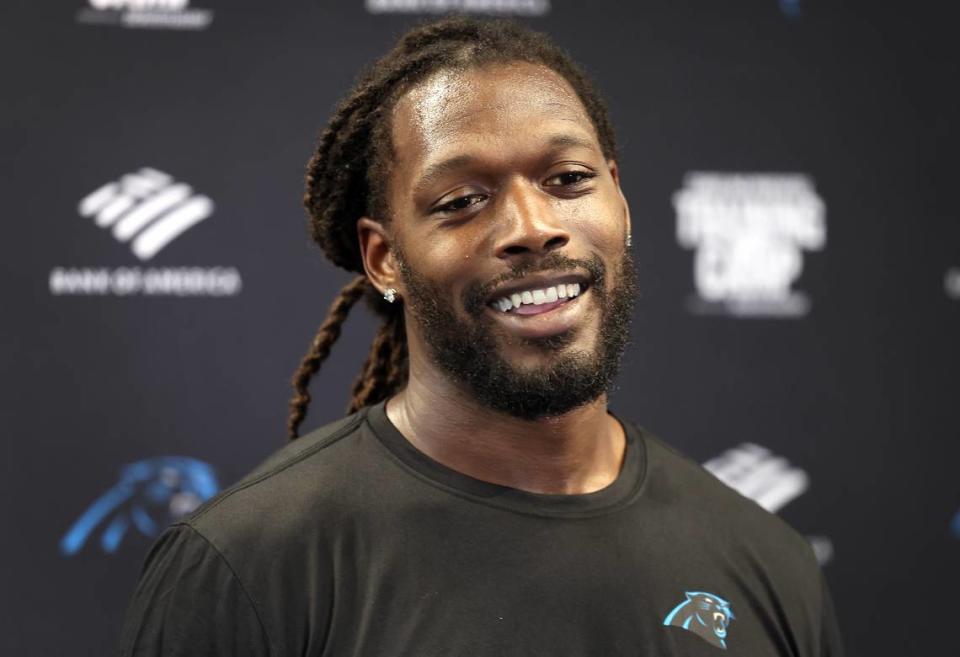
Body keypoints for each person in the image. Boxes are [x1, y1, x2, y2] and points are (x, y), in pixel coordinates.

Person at [117, 16, 844, 656]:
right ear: (384, 257)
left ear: (619, 200)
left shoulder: (765, 560)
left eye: (567, 179)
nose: (533, 228)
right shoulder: (248, 564)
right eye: (462, 200)